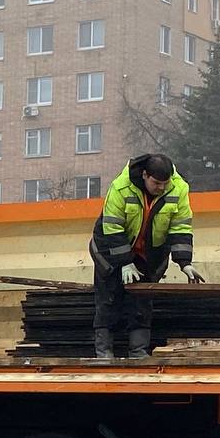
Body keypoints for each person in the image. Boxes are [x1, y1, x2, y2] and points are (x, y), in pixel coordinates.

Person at [90, 154, 200, 360]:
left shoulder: (179, 189)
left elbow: (181, 226)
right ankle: (103, 353)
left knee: (142, 303)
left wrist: (185, 262)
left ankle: (138, 353)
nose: (161, 188)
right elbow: (112, 228)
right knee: (108, 298)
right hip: (110, 249)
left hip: (148, 254)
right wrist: (124, 263)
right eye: (156, 183)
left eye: (165, 184)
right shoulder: (120, 187)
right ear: (144, 175)